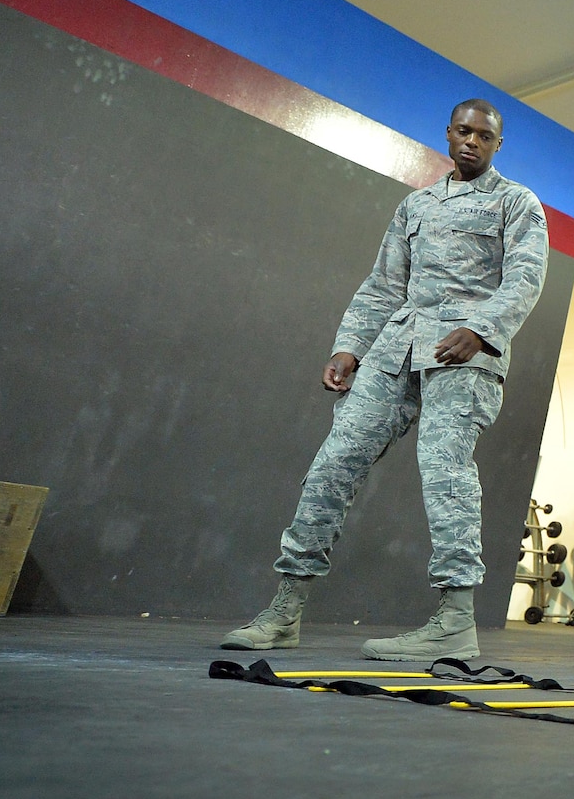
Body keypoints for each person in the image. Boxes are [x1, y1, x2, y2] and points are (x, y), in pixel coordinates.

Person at [222, 99, 550, 661]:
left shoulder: (515, 203)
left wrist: (483, 329)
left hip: (462, 352)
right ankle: (285, 609)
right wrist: (349, 346)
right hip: (397, 348)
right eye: (464, 132)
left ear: (498, 145)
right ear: (447, 134)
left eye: (484, 136)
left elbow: (526, 277)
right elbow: (382, 284)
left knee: (445, 473)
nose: (472, 142)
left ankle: (454, 620)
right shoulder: (415, 205)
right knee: (335, 461)